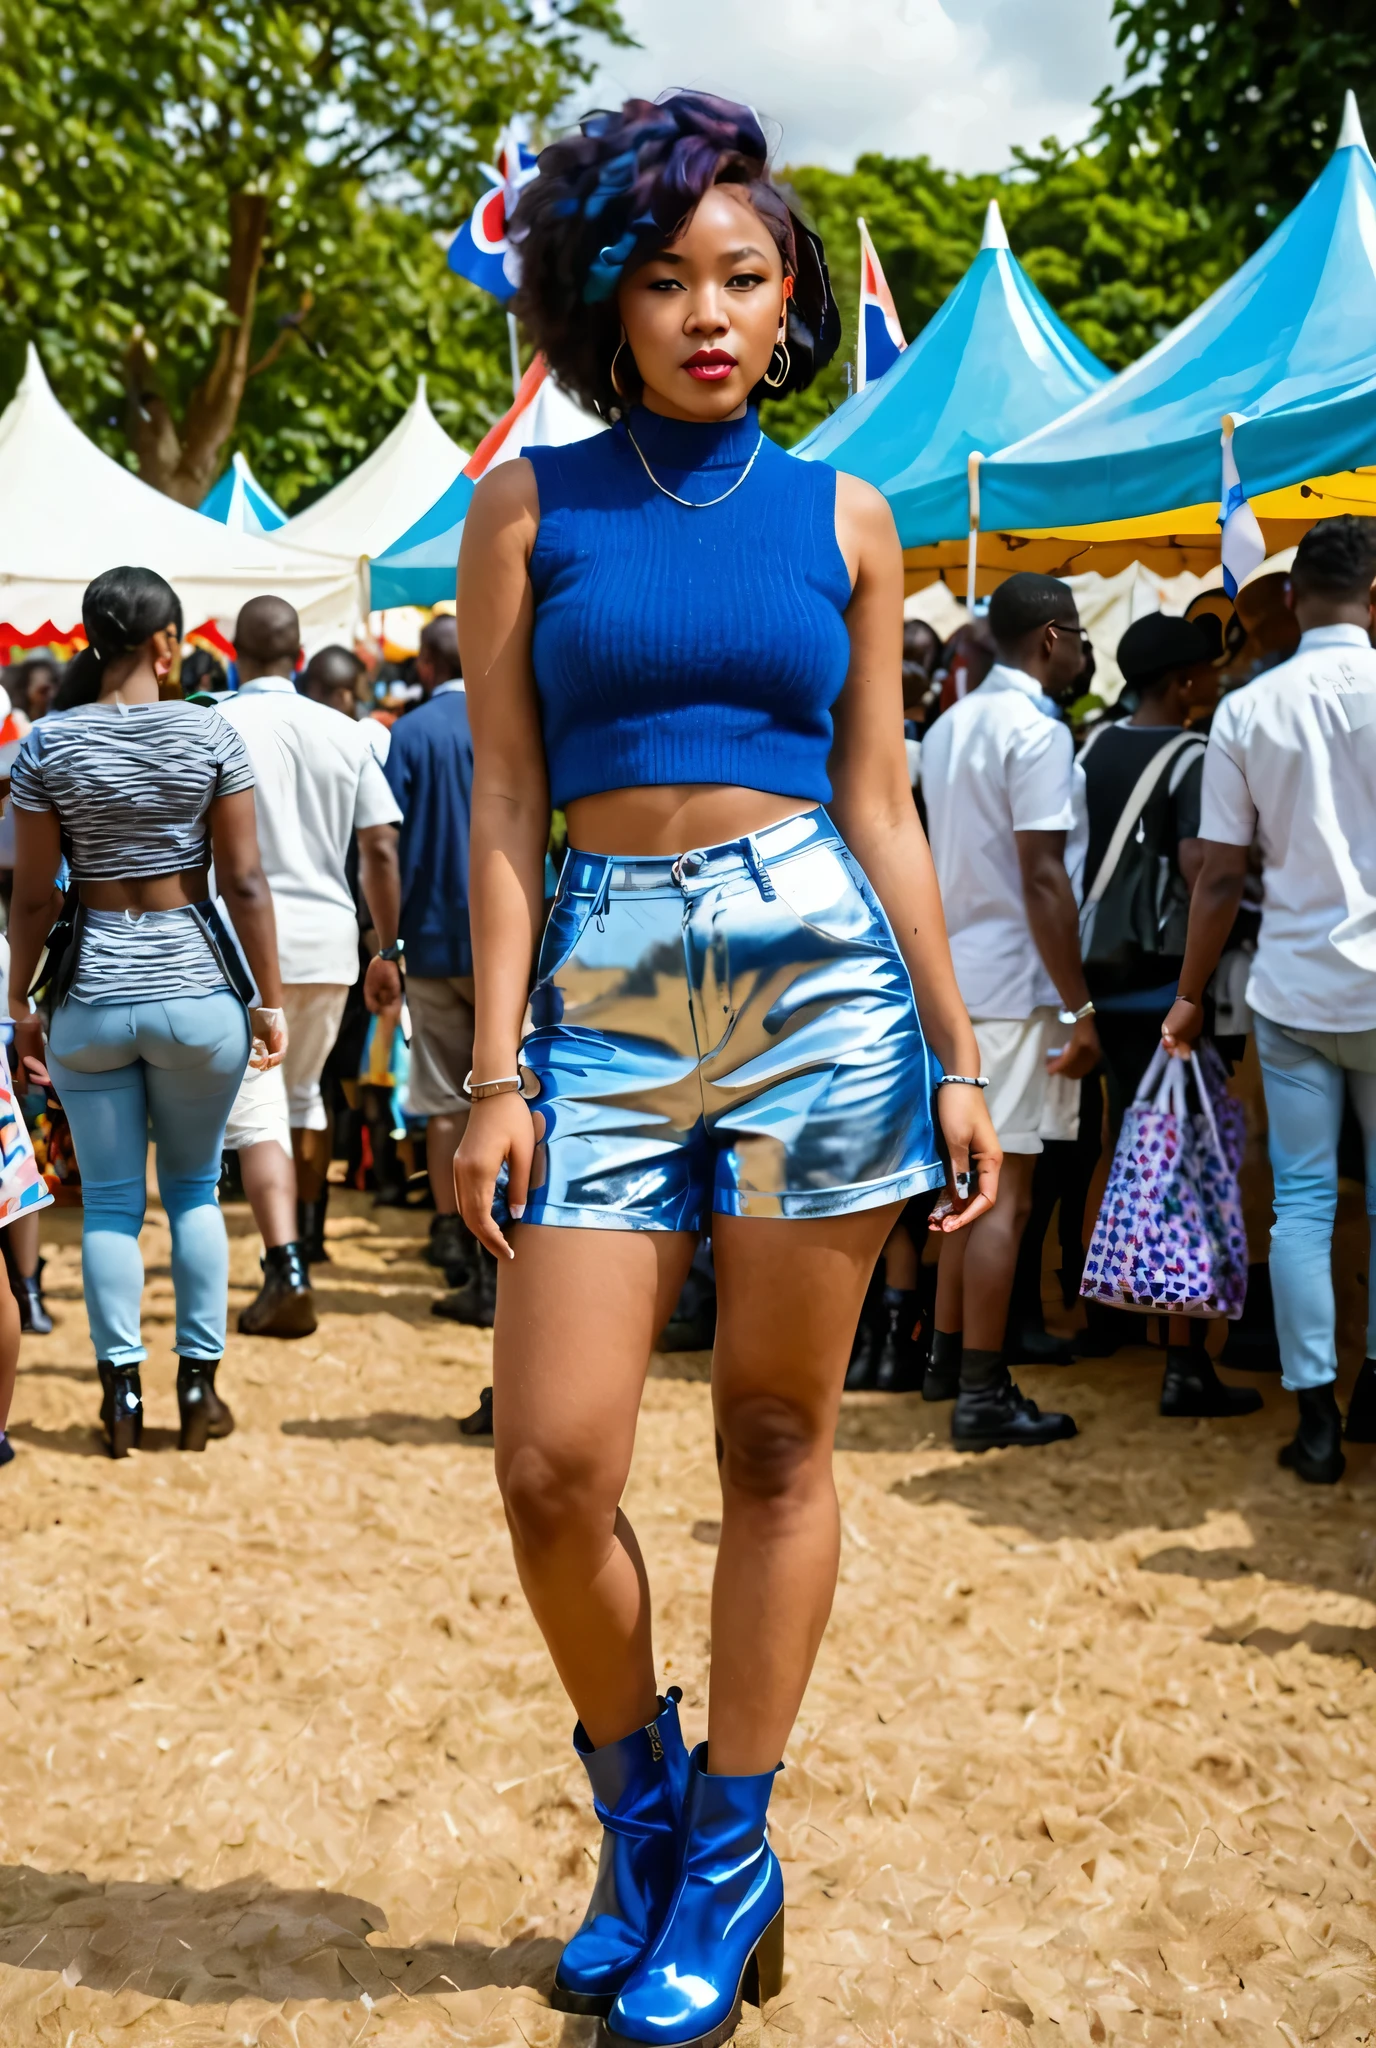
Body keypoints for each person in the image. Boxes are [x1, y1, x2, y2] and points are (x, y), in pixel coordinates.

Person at [455, 91, 1000, 2048]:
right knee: (551, 1462)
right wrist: (497, 1065)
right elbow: (505, 796)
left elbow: (884, 799)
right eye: (668, 273)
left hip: (817, 970)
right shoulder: (522, 506)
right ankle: (646, 1810)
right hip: (600, 969)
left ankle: (736, 1845)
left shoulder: (847, 516)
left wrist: (953, 1052)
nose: (707, 309)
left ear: (788, 309)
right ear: (604, 294)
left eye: (744, 276)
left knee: (775, 1437)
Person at [5, 566, 287, 1456]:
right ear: (167, 645)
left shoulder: (45, 746)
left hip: (90, 994)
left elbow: (34, 901)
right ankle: (198, 1389)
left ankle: (120, 1397)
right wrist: (271, 1000)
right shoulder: (213, 736)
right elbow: (243, 881)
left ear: (91, 640)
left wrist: (18, 1000)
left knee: (112, 1209)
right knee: (197, 1191)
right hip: (197, 987)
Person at [1164, 515, 1376, 1485]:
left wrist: (1187, 992)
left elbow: (1214, 877)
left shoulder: (1246, 710)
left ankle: (1313, 1417)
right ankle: (1372, 1382)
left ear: (1289, 598)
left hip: (1288, 986)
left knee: (1295, 1205)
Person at [920, 571, 1095, 1450]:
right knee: (1006, 1194)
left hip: (957, 979)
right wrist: (1082, 1003)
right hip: (1018, 986)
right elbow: (1043, 875)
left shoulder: (952, 723)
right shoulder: (1037, 731)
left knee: (967, 1188)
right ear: (1053, 639)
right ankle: (982, 1393)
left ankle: (950, 1362)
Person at [1076, 610, 1261, 1418]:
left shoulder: (1092, 747)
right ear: (1184, 682)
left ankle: (1107, 1309)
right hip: (1165, 986)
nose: (1217, 681)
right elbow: (1201, 872)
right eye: (1207, 672)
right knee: (1179, 1154)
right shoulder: (1193, 755)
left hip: (1098, 977)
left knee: (1121, 1141)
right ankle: (1183, 1359)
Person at [219, 598, 403, 1335]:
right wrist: (385, 947)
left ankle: (282, 1259)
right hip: (330, 941)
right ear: (298, 657)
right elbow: (381, 848)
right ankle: (306, 1238)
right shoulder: (346, 732)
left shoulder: (214, 723)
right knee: (305, 1097)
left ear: (234, 652)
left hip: (238, 937)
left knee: (252, 1100)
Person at [379, 615, 485, 1317]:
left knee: (445, 1096)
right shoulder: (509, 720)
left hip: (431, 939)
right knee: (513, 1087)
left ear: (423, 667)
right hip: (507, 942)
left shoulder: (409, 735)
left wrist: (386, 943)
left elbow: (390, 844)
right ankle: (503, 1235)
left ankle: (450, 1233)